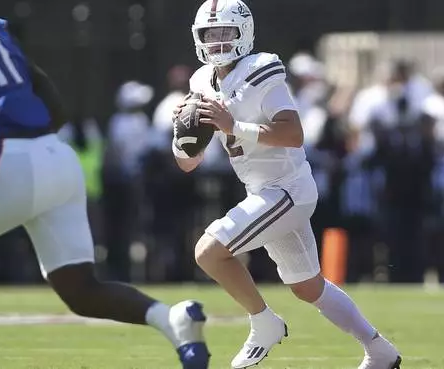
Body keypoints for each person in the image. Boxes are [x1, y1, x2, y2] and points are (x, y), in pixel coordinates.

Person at [0, 1, 209, 368]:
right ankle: (173, 321)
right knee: (81, 289)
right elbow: (53, 104)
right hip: (57, 158)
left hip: (4, 159)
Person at [171, 1, 401, 368]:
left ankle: (264, 322)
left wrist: (233, 126)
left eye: (224, 33)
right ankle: (380, 350)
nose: (216, 43)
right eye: (209, 35)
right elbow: (188, 164)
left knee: (208, 252)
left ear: (243, 32)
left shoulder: (260, 69)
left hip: (286, 189)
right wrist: (182, 136)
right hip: (263, 192)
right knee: (309, 287)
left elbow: (293, 134)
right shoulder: (201, 81)